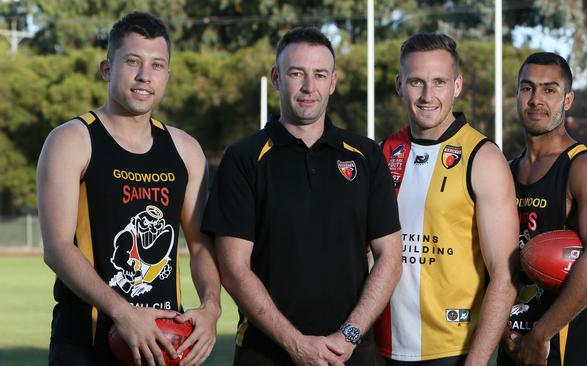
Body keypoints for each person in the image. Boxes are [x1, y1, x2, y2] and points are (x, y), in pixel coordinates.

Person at [201, 27, 402, 366]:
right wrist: (296, 344)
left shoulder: (365, 156)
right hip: (265, 353)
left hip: (351, 353)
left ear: (333, 82)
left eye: (319, 74)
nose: (309, 87)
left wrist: (348, 336)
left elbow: (390, 259)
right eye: (297, 74)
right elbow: (234, 268)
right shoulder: (244, 157)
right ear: (277, 78)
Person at [37, 12, 221, 366]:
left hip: (165, 342)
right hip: (87, 343)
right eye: (132, 62)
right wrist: (123, 313)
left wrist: (211, 308)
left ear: (167, 74)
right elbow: (57, 248)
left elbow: (200, 246)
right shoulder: (72, 140)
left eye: (157, 65)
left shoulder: (185, 150)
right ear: (107, 69)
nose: (144, 76)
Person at [374, 32, 519, 366]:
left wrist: (478, 361)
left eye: (439, 82)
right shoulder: (382, 153)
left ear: (457, 86)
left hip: (453, 352)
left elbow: (505, 275)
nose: (427, 95)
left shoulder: (482, 158)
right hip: (380, 345)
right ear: (399, 85)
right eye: (416, 82)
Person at [497, 52, 587, 366]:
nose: (536, 99)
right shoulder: (504, 172)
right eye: (527, 88)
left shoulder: (584, 168)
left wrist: (541, 336)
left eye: (549, 90)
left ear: (567, 100)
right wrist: (501, 329)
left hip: (574, 350)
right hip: (515, 347)